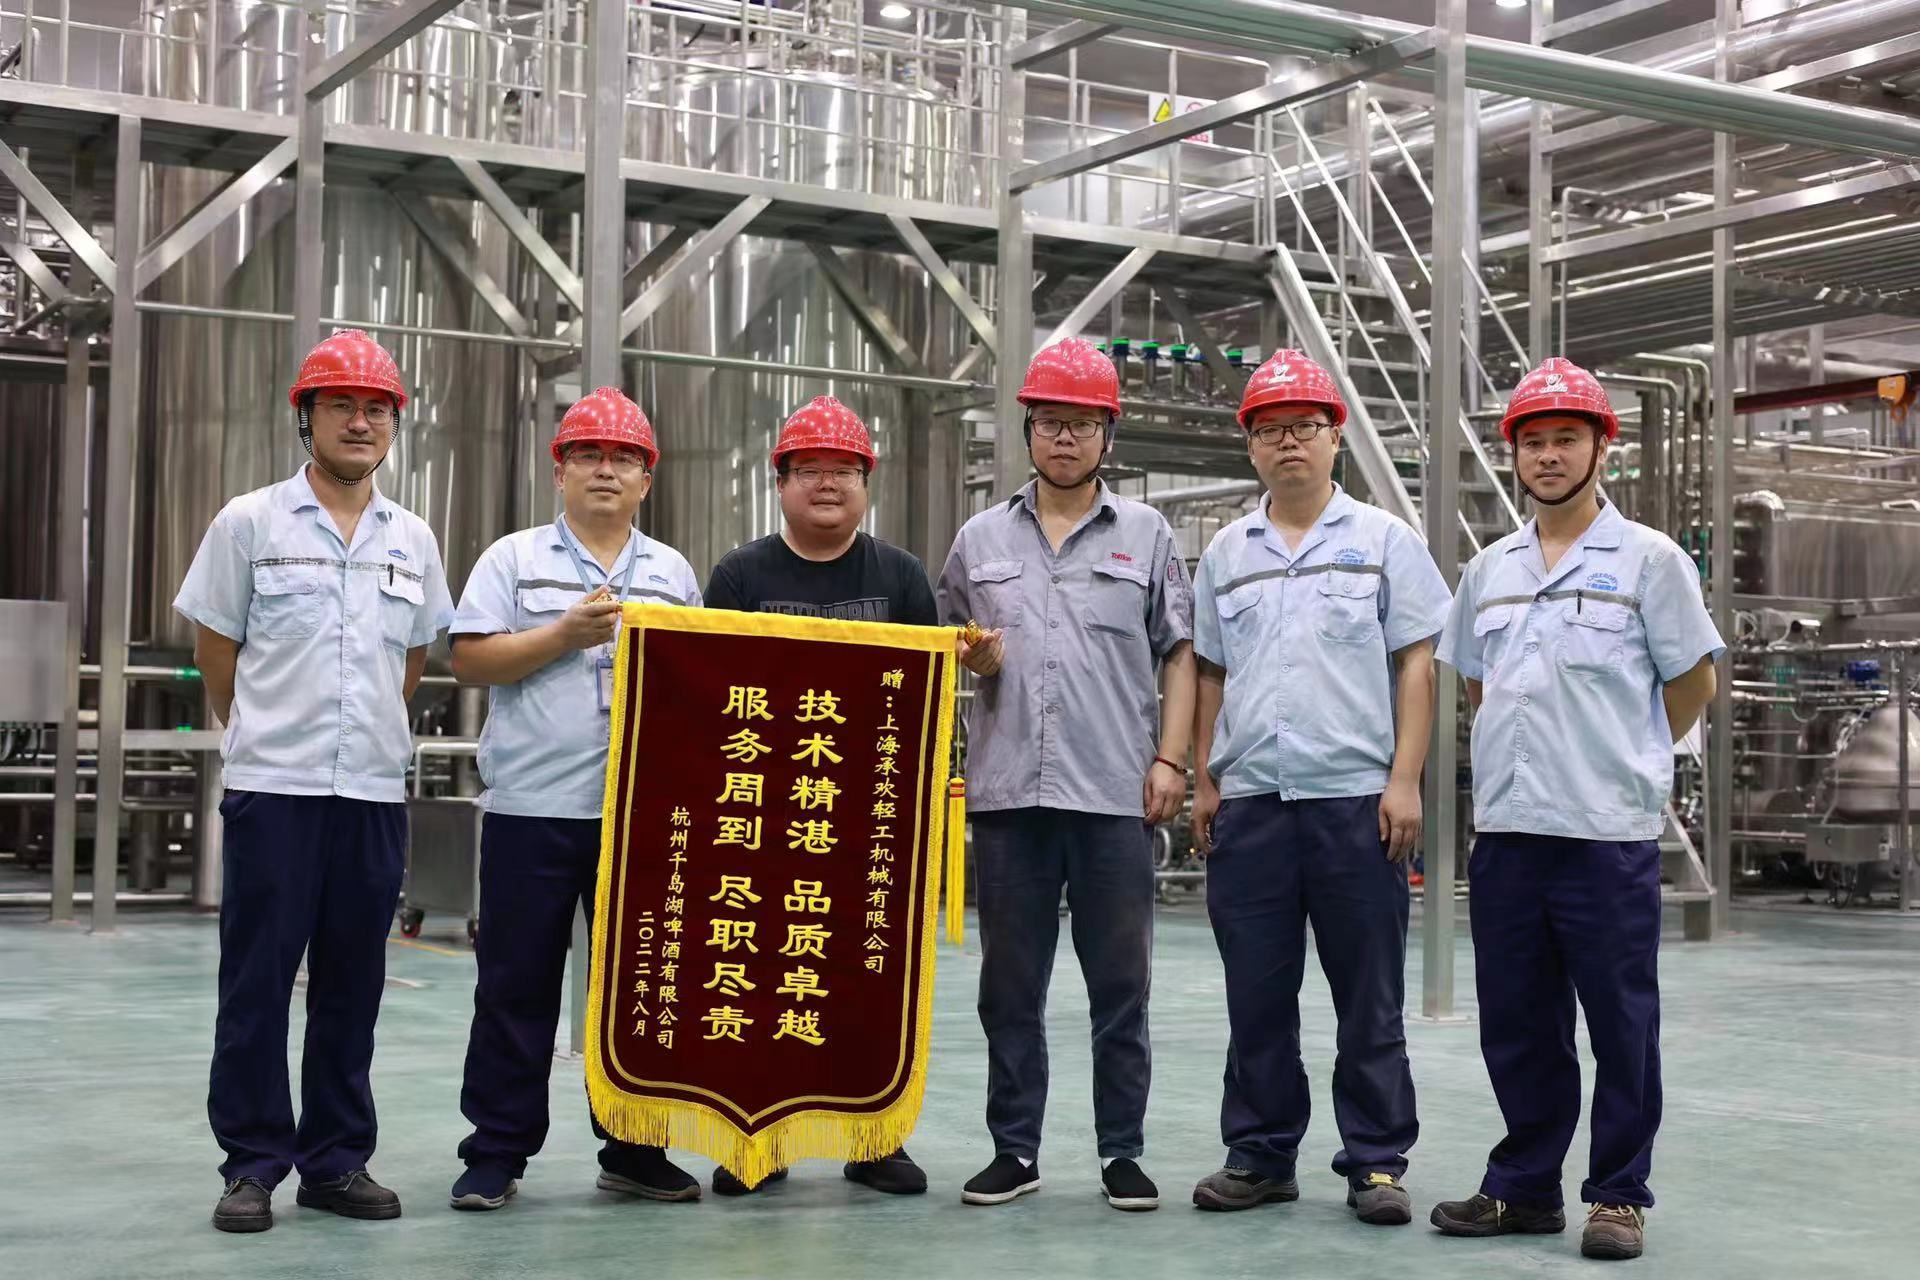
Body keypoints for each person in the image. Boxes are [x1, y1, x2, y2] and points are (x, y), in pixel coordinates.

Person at [1430, 357, 1722, 1263]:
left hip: (1605, 834)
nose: (1548, 456)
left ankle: (1618, 1195)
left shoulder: (1651, 561)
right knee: (1518, 1022)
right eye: (1533, 442)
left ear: (1602, 449)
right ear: (1514, 454)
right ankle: (1524, 1188)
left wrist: (1626, 757)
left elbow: (1693, 683)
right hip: (1510, 833)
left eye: (1565, 439)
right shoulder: (1489, 569)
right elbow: (1478, 686)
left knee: (1621, 1023)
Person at [174, 329, 454, 1233]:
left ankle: (335, 1162)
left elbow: (411, 664)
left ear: (394, 424)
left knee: (352, 986)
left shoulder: (413, 537)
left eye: (376, 409)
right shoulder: (249, 522)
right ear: (308, 417)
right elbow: (216, 652)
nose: (360, 422)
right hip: (275, 790)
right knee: (256, 984)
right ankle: (252, 1164)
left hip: (370, 792)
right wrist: (269, 727)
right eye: (342, 406)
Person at [1186, 350, 1451, 1225]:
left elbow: (1417, 663)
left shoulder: (1384, 541)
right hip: (1254, 802)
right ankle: (1261, 1155)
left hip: (1355, 803)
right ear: (1251, 447)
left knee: (1367, 997)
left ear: (1335, 436)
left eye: (1304, 426)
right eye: (1270, 430)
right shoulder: (1228, 553)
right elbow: (1211, 673)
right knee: (1257, 996)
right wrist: (1205, 780)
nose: (1288, 442)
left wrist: (1404, 780)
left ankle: (1375, 1162)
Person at [934, 337, 1194, 1212]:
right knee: (1010, 987)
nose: (1066, 438)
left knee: (1121, 986)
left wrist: (1170, 760)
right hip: (1009, 797)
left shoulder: (1147, 535)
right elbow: (941, 647)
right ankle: (1015, 1150)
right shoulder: (979, 539)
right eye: (1050, 423)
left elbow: (1180, 653)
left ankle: (1122, 1152)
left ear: (1107, 434)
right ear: (1028, 432)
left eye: (1082, 425)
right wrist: (970, 656)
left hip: (1115, 794)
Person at [445, 387, 705, 1212]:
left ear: (646, 479)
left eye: (624, 458)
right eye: (588, 455)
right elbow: (470, 661)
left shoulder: (672, 574)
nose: (605, 470)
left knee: (640, 991)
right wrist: (562, 636)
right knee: (515, 986)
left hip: (639, 820)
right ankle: (497, 1151)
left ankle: (635, 1148)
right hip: (532, 810)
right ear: (559, 470)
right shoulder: (513, 560)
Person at [700, 394, 935, 1197]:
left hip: (870, 823)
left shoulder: (901, 577)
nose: (827, 483)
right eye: (809, 469)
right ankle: (755, 1139)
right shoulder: (740, 576)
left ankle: (875, 1138)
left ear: (867, 484)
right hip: (764, 824)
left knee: (870, 982)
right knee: (761, 978)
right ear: (781, 483)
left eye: (844, 470)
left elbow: (923, 707)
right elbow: (715, 696)